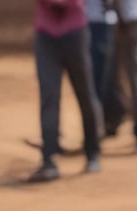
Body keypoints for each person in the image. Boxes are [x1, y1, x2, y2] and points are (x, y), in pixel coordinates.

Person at [29, 0, 104, 182]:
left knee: (85, 94)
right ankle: (49, 158)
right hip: (46, 34)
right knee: (49, 96)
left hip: (75, 33)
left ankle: (92, 152)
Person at [102, 0, 137, 153]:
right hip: (119, 17)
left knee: (134, 77)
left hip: (127, 18)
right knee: (111, 73)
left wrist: (119, 13)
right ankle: (113, 119)